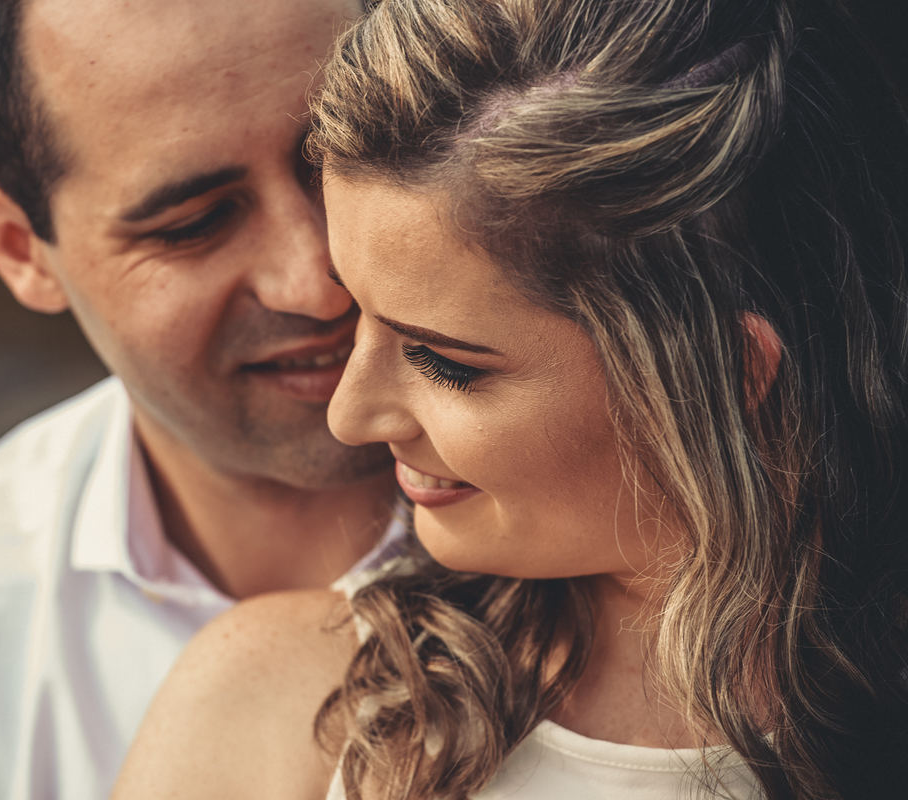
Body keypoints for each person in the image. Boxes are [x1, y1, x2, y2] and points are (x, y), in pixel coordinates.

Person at [111, 0, 908, 797]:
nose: (348, 415)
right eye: (358, 313)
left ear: (730, 377)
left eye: (444, 361)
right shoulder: (285, 706)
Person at [0, 0, 404, 797]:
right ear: (19, 249)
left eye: (349, 158)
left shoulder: (618, 478)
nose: (316, 281)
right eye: (194, 224)